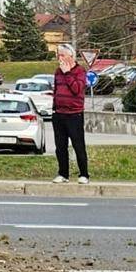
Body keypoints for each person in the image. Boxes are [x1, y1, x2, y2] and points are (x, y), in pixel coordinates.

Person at [51, 43, 89, 183]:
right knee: (60, 147)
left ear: (70, 56)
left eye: (62, 55)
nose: (59, 58)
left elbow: (77, 89)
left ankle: (84, 174)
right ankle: (63, 174)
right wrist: (55, 107)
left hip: (74, 114)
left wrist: (67, 73)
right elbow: (56, 90)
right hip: (59, 113)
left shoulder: (80, 71)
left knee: (78, 145)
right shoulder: (57, 71)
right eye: (58, 55)